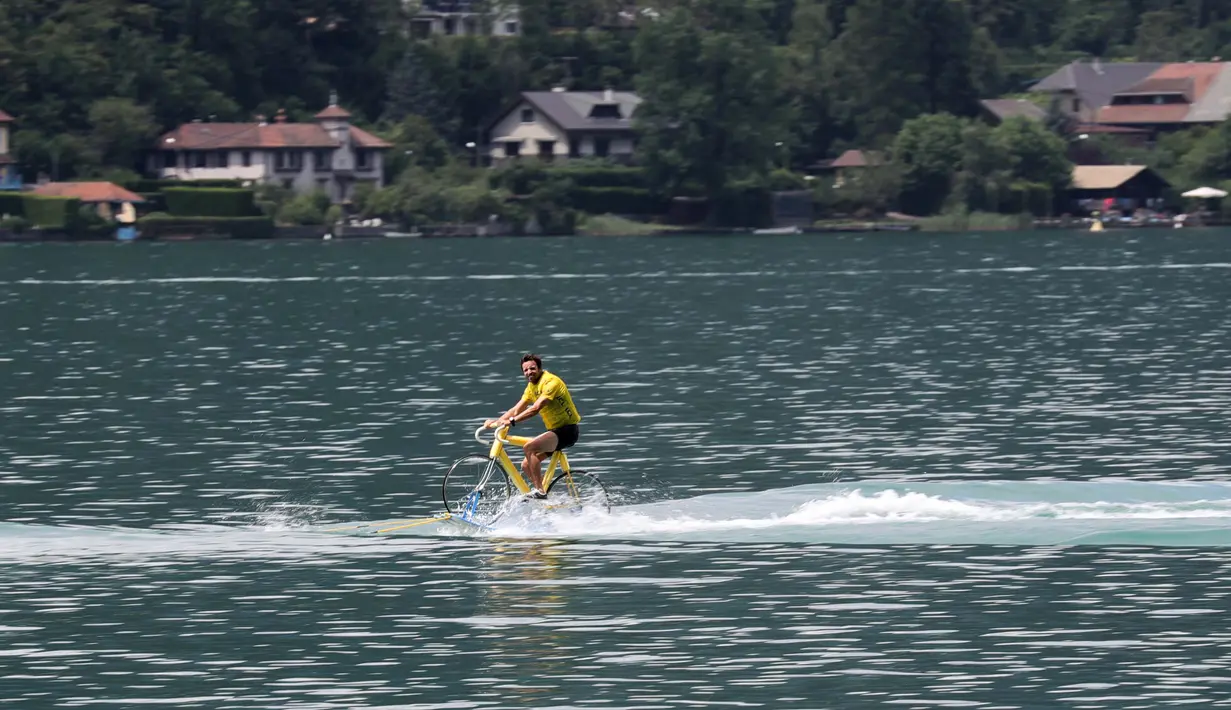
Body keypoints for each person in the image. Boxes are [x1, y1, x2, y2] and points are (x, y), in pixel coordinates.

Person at [484, 353, 581, 497]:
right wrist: (496, 422)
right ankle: (547, 500)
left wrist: (512, 421)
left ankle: (540, 492)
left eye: (532, 368)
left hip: (567, 431)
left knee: (529, 447)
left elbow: (536, 408)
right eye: (525, 370)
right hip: (554, 431)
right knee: (525, 464)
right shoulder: (531, 387)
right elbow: (516, 409)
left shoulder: (551, 382)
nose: (529, 372)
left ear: (540, 368)